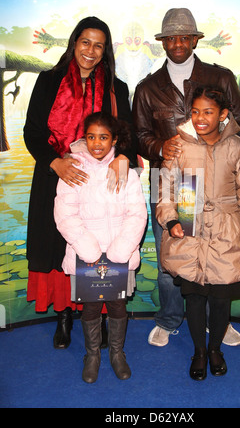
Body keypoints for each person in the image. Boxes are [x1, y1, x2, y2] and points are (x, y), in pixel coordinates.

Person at [132, 8, 240, 348]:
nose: (177, 43)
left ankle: (213, 322)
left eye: (184, 37)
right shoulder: (147, 88)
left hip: (219, 178)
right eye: (170, 38)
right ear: (162, 42)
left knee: (220, 250)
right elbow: (139, 136)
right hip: (175, 182)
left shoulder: (220, 77)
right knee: (172, 255)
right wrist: (163, 147)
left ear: (195, 39)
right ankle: (169, 318)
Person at [24, 16, 137, 350]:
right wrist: (56, 162)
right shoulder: (48, 81)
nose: (90, 50)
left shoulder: (117, 89)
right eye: (85, 42)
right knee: (61, 243)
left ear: (106, 51)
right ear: (74, 43)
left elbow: (127, 135)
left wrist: (123, 157)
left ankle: (101, 315)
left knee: (100, 244)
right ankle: (63, 316)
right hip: (56, 174)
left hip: (102, 185)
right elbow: (32, 133)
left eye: (98, 45)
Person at [156, 86, 240, 380]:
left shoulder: (237, 146)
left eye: (208, 112)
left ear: (223, 115)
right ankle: (199, 352)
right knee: (193, 296)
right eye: (195, 112)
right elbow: (165, 189)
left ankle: (215, 348)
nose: (200, 118)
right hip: (188, 230)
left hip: (226, 234)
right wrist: (170, 220)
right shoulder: (178, 145)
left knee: (220, 299)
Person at [54, 112, 147, 382]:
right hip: (86, 255)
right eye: (91, 137)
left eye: (103, 137)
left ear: (114, 139)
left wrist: (122, 249)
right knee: (91, 308)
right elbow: (64, 214)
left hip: (120, 253)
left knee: (118, 306)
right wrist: (87, 248)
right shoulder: (73, 169)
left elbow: (137, 214)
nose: (96, 143)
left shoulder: (126, 171)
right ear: (84, 138)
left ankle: (117, 353)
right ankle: (92, 354)